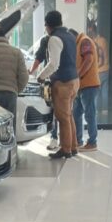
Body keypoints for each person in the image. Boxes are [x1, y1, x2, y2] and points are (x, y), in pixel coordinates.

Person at [37, 10, 79, 160]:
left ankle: (66, 150)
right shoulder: (70, 35)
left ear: (48, 25)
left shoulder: (54, 39)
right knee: (69, 115)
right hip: (74, 81)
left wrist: (40, 76)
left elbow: (54, 64)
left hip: (63, 83)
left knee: (62, 117)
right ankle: (73, 146)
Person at [73, 28, 100, 152]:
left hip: (89, 85)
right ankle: (78, 141)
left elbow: (89, 60)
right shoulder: (80, 43)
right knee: (76, 114)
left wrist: (77, 75)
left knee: (90, 115)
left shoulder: (84, 41)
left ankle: (92, 142)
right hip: (82, 86)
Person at [30, 34, 58, 151]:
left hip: (51, 81)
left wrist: (32, 72)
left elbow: (39, 58)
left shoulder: (47, 40)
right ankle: (61, 138)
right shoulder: (65, 38)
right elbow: (39, 57)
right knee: (61, 111)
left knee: (53, 109)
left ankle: (55, 137)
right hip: (62, 80)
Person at [88, 21, 109, 111]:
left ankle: (96, 110)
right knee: (105, 91)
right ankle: (105, 110)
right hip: (106, 69)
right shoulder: (104, 40)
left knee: (96, 93)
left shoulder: (92, 42)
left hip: (97, 71)